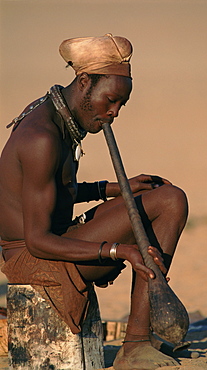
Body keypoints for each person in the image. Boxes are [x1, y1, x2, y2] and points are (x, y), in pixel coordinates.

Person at [0, 34, 188, 369]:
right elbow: (38, 239)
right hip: (33, 257)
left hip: (57, 239)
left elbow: (57, 192)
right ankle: (136, 344)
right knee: (171, 202)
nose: (114, 112)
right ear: (84, 82)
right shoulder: (41, 139)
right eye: (110, 100)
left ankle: (137, 340)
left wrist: (116, 188)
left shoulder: (57, 113)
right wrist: (119, 250)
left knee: (168, 199)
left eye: (120, 105)